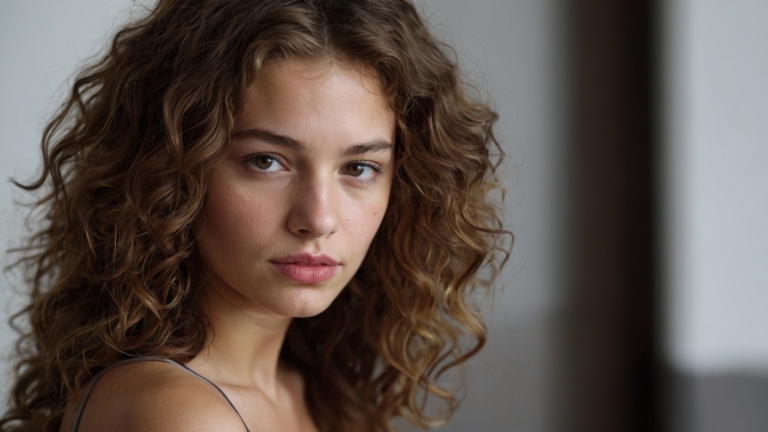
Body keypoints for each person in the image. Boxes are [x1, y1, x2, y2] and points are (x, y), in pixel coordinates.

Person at [0, 0, 509, 431]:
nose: (318, 218)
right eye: (266, 161)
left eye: (358, 167)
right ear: (172, 170)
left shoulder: (309, 390)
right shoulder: (184, 414)